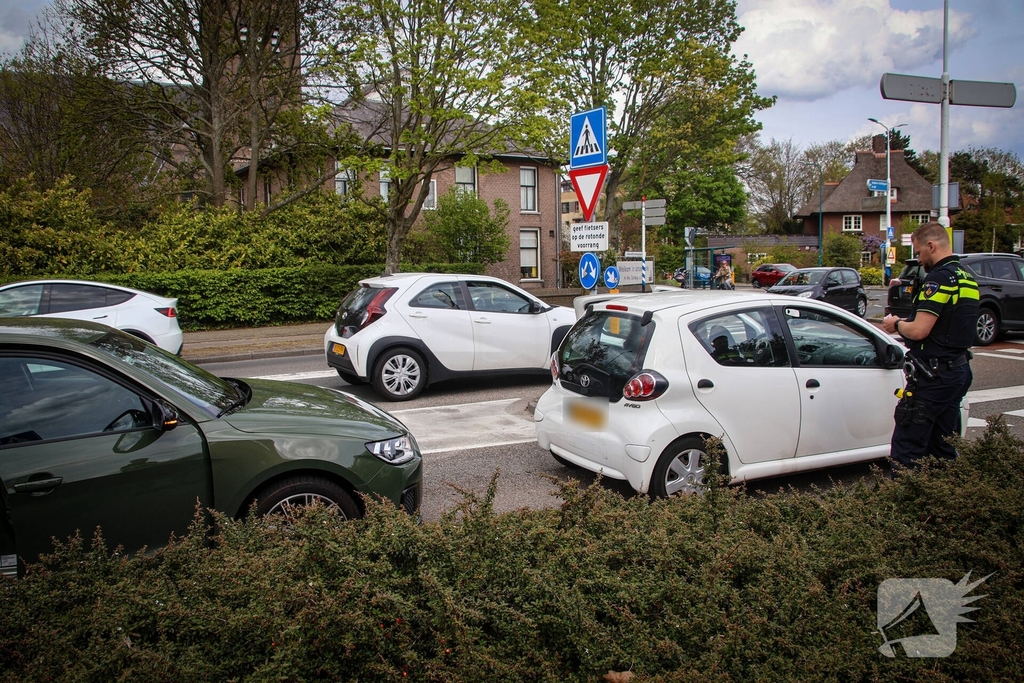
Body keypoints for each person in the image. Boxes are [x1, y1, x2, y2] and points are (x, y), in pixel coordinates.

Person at [881, 222, 979, 471]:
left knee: (907, 449)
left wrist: (896, 324)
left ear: (931, 246)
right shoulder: (967, 278)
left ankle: (904, 505)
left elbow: (919, 330)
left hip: (934, 375)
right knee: (942, 448)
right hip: (957, 370)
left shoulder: (939, 278)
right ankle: (940, 501)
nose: (919, 257)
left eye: (919, 251)